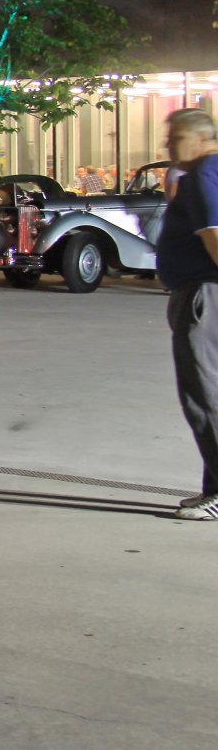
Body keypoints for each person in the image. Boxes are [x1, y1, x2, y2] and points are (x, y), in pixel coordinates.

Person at [154, 108, 218, 521]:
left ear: (199, 138)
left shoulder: (203, 176)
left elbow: (214, 235)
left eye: (174, 137)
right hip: (204, 292)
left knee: (204, 395)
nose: (167, 145)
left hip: (203, 295)